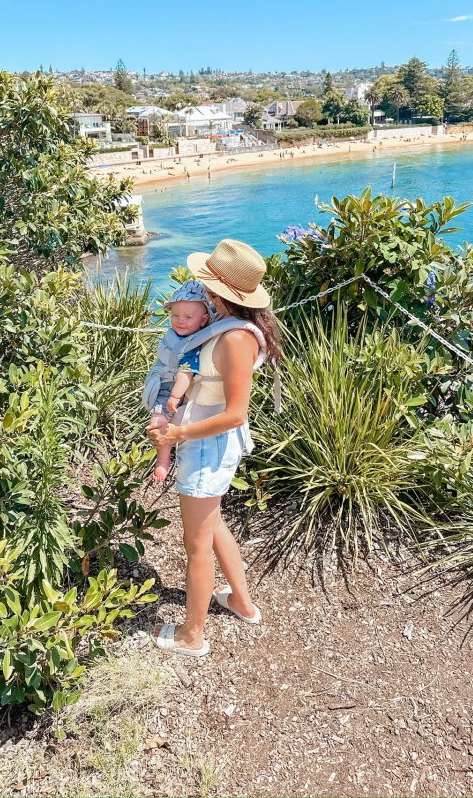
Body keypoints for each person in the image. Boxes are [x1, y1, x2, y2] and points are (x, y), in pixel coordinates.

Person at [147, 239, 282, 657]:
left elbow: (237, 413)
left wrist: (175, 437)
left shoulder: (234, 340)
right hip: (209, 443)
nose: (202, 289)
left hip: (207, 446)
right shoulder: (226, 328)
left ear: (220, 293)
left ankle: (193, 635)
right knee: (214, 523)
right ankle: (241, 602)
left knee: (196, 547)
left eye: (207, 284)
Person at [146, 281, 214, 482]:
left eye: (187, 317)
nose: (180, 321)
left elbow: (186, 373)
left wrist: (175, 397)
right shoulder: (176, 335)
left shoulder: (192, 345)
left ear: (202, 321)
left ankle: (163, 462)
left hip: (171, 392)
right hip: (162, 383)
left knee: (157, 424)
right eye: (175, 315)